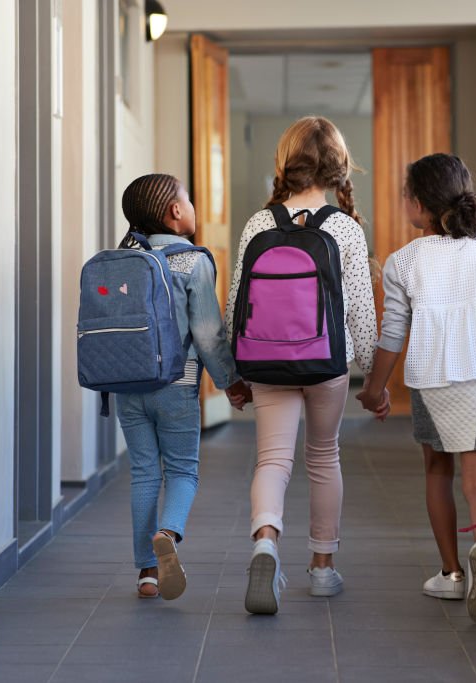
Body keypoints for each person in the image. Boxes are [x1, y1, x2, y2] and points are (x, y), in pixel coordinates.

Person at [356, 153, 476, 624]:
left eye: (406, 196)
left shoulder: (404, 262)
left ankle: (452, 574)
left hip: (431, 381)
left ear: (419, 205)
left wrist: (374, 389)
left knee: (437, 474)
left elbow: (393, 333)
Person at [225, 116, 377, 614]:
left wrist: (237, 369)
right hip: (326, 362)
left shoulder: (257, 223)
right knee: (323, 457)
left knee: (272, 460)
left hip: (265, 360)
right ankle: (321, 569)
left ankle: (266, 543)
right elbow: (360, 310)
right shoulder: (345, 229)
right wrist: (374, 375)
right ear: (337, 169)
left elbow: (235, 305)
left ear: (285, 162)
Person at [115, 174, 251, 600]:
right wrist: (229, 381)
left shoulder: (122, 260)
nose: (191, 205)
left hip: (126, 385)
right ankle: (168, 532)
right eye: (188, 199)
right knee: (181, 469)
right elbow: (208, 334)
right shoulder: (192, 262)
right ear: (175, 211)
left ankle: (147, 574)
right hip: (177, 383)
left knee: (142, 473)